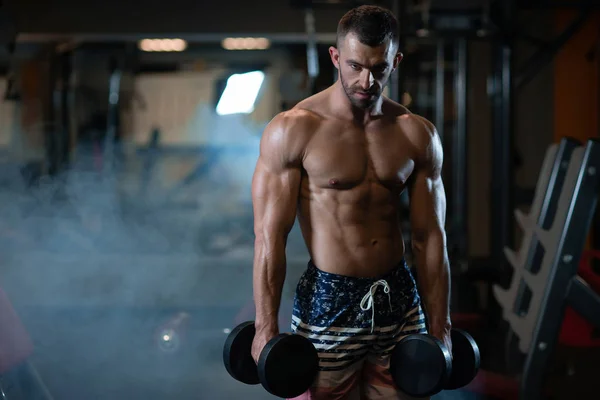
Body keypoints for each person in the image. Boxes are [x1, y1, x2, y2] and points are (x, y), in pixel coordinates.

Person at [250, 5, 451, 400]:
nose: (366, 80)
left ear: (396, 61)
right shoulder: (294, 129)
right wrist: (264, 326)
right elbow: (268, 237)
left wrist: (440, 327)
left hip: (398, 296)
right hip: (328, 302)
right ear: (336, 57)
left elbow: (431, 238)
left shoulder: (416, 134)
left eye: (379, 68)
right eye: (355, 65)